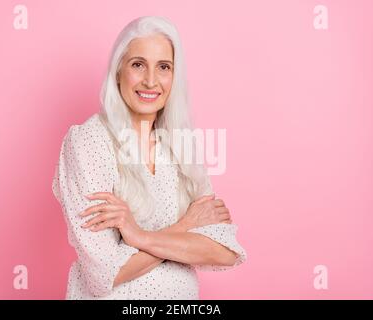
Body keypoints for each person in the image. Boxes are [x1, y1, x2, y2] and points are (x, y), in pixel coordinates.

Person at [52, 16, 246, 300]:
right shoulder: (89, 141)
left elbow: (225, 251)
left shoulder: (180, 146)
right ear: (119, 71)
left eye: (164, 67)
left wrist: (139, 236)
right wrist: (185, 227)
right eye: (138, 64)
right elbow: (106, 272)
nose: (151, 81)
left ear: (174, 77)